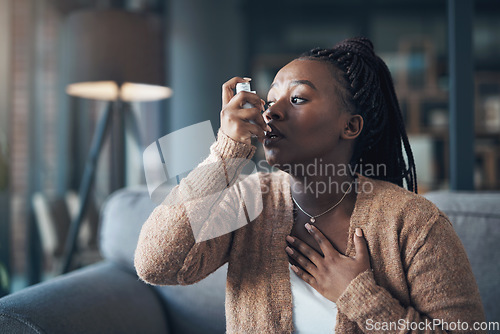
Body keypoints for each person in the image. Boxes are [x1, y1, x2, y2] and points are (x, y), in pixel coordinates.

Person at [134, 37, 485, 333]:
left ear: (350, 127)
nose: (271, 113)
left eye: (298, 98)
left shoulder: (413, 222)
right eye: (270, 101)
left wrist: (359, 295)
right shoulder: (246, 201)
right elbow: (155, 264)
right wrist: (227, 152)